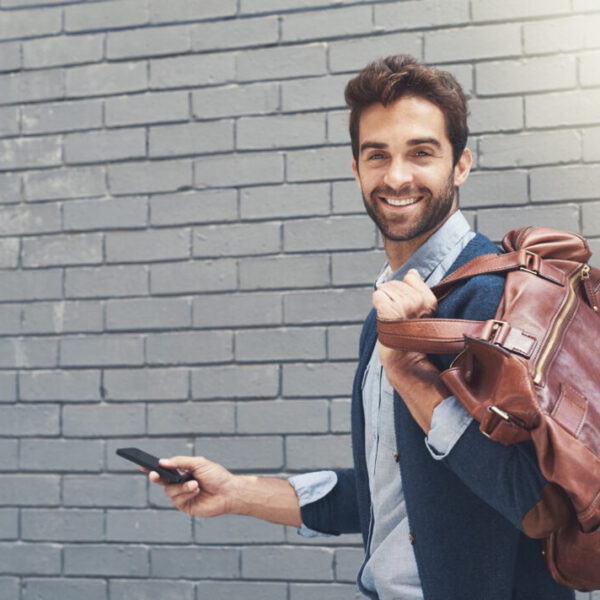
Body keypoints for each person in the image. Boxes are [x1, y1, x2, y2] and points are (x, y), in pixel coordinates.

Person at [148, 55, 575, 600]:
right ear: (355, 170)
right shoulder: (385, 316)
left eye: (421, 153)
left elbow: (539, 505)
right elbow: (392, 495)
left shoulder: (497, 300)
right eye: (378, 156)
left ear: (461, 164)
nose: (397, 177)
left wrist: (410, 372)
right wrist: (237, 492)